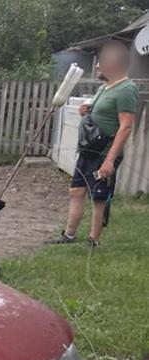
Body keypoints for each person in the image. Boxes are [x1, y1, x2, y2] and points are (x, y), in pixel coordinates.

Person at [53, 40, 138, 247]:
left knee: (98, 198)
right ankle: (69, 235)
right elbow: (103, 114)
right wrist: (87, 111)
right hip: (88, 150)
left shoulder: (127, 89)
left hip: (103, 153)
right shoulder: (105, 87)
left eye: (101, 62)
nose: (98, 66)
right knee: (76, 191)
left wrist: (109, 161)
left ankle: (93, 240)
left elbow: (126, 126)